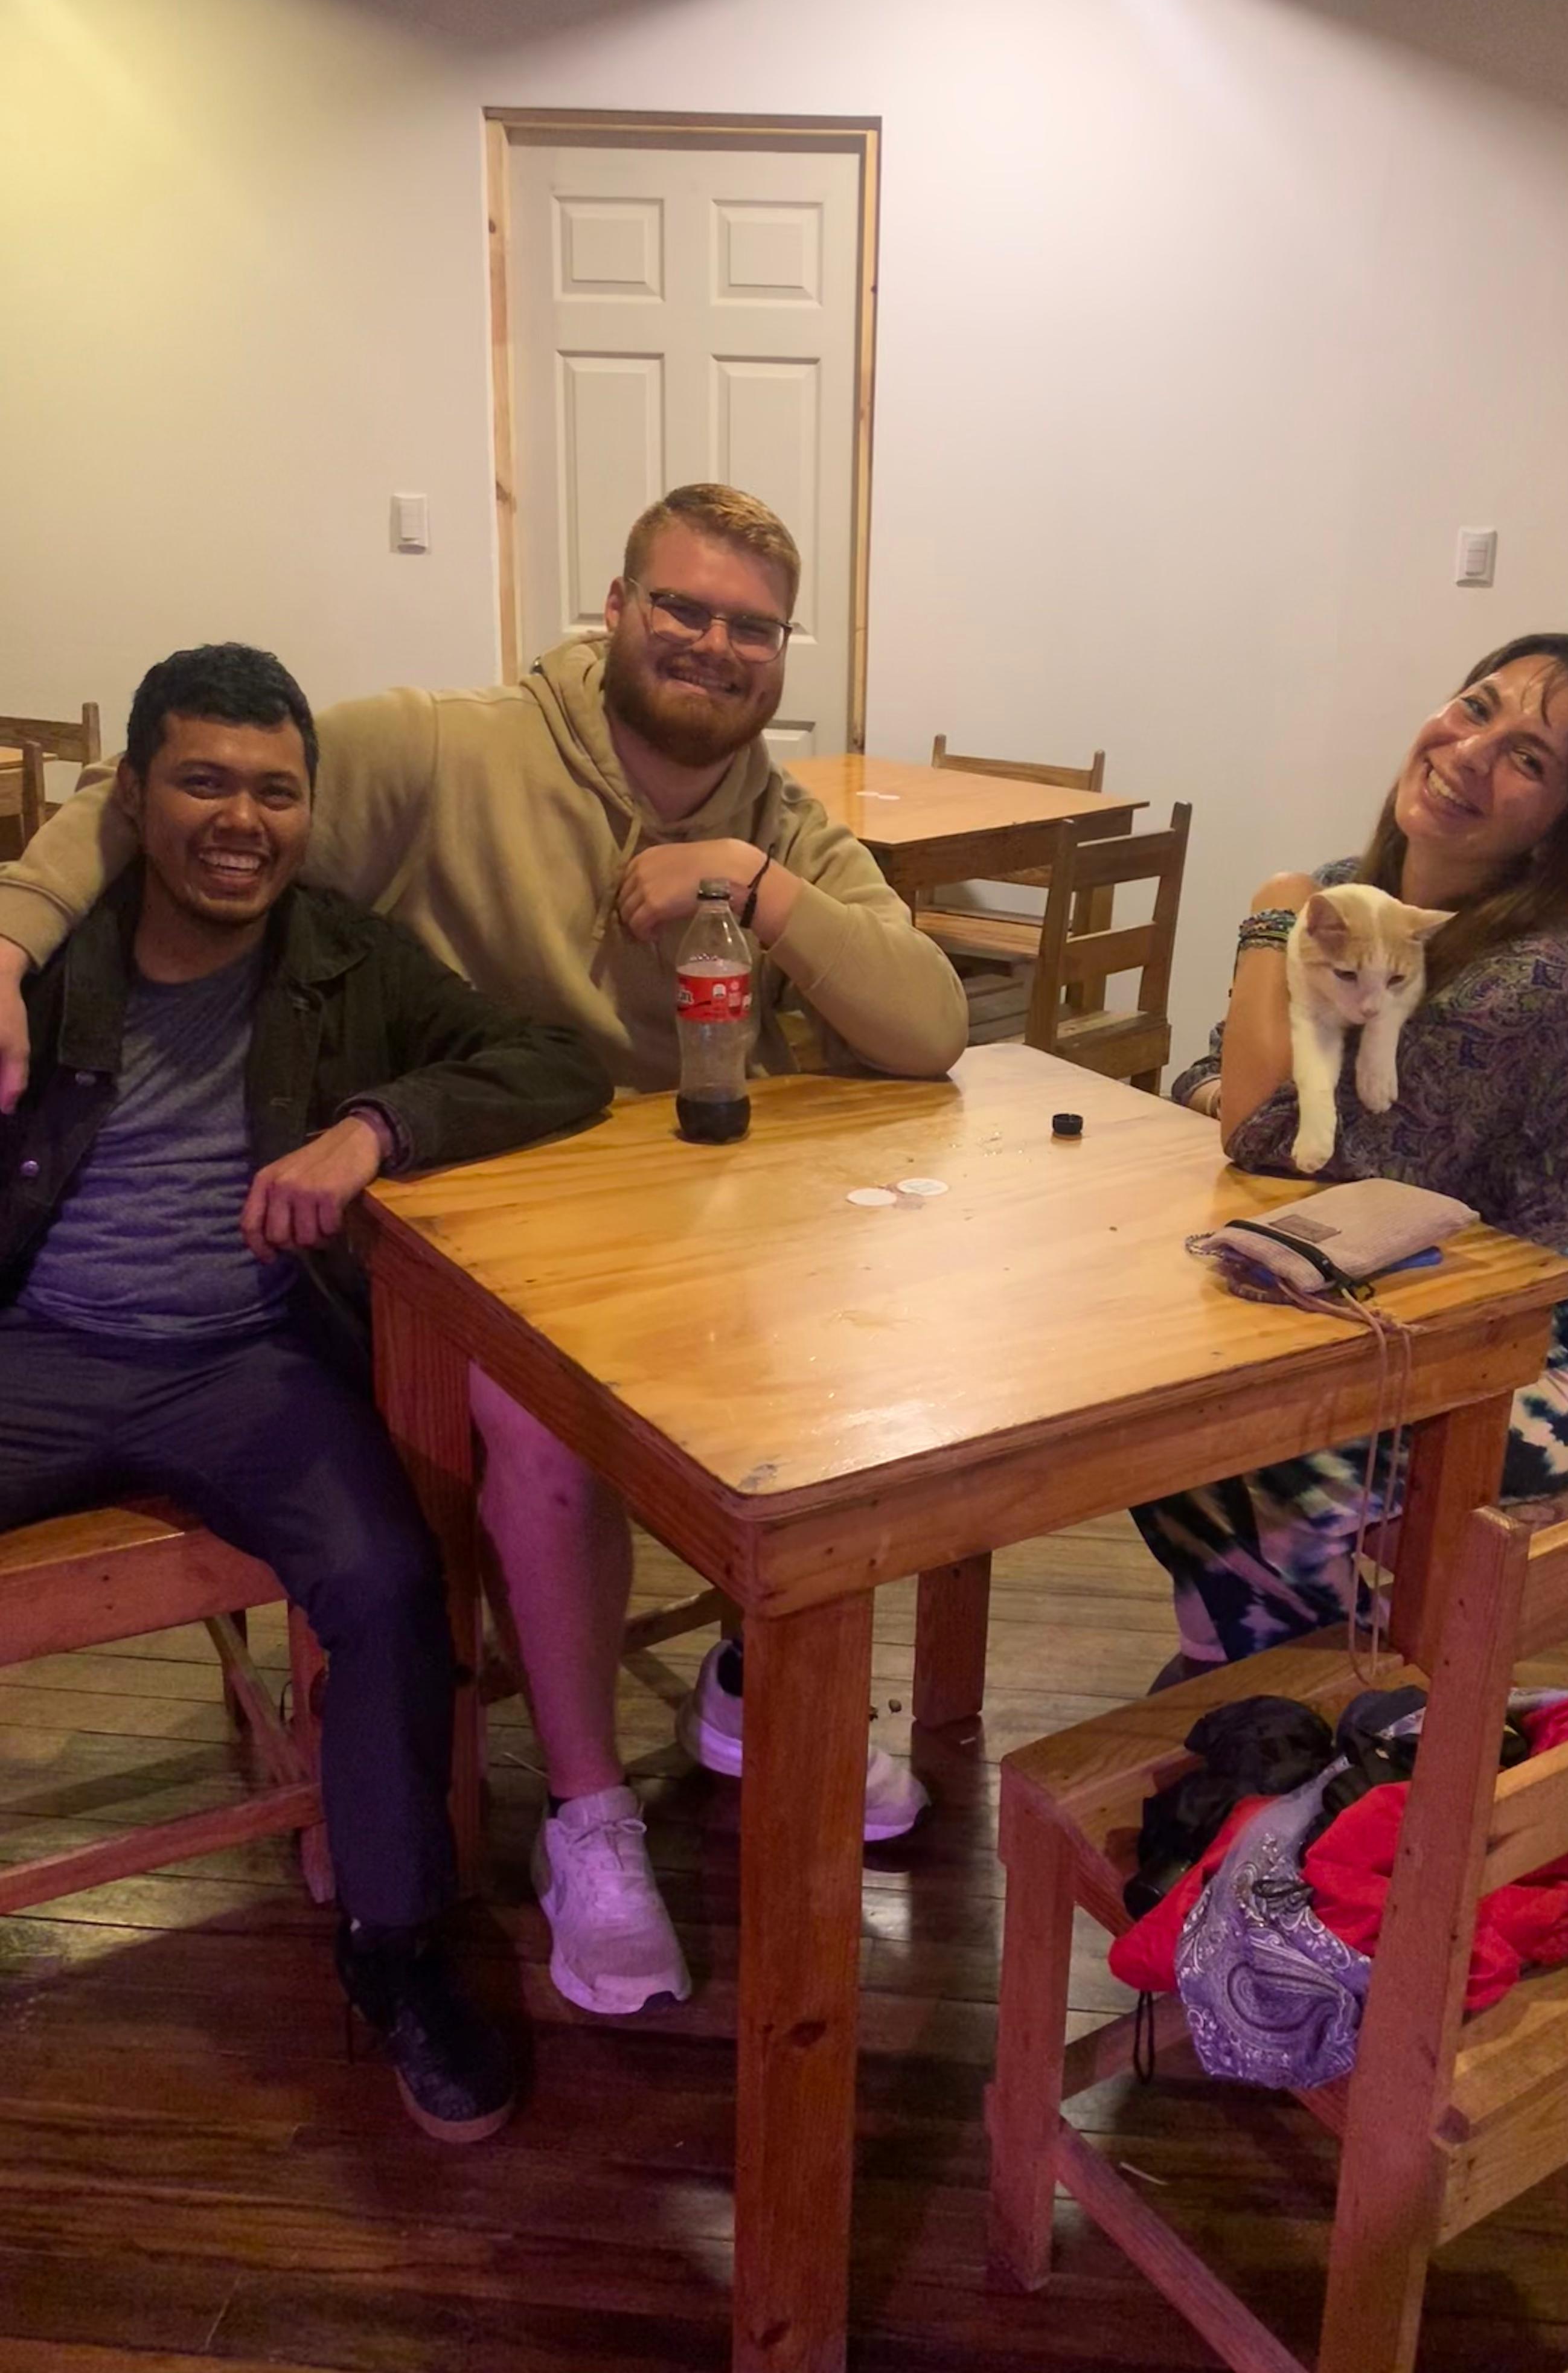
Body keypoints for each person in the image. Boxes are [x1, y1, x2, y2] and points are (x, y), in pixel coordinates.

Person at [0, 485, 970, 2019]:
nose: (713, 645)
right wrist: (8, 932)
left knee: (849, 1375)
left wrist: (749, 881)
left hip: (689, 1228)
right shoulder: (447, 749)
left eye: (752, 626)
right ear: (616, 607)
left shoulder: (781, 823)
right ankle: (589, 1818)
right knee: (539, 1420)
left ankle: (756, 1673)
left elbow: (928, 1025)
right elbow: (187, 799)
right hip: (476, 1227)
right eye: (682, 606)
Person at [0, 643, 613, 2136]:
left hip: (251, 1360)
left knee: (393, 1583)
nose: (242, 821)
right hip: (36, 1347)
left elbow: (558, 1065)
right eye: (204, 782)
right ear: (132, 796)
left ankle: (395, 1951)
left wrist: (374, 1128)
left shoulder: (347, 961)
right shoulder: (48, 958)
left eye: (277, 793)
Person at [1135, 634, 1568, 1675]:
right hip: (1389, 1278)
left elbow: (1280, 1140)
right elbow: (1213, 1075)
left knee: (1236, 1453)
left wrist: (1269, 918)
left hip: (1540, 1326)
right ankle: (1283, 1687)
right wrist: (1256, 1103)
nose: (1470, 753)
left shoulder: (1540, 972)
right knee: (1157, 1414)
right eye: (1477, 708)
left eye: (1529, 759)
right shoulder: (1348, 891)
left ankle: (1315, 1694)